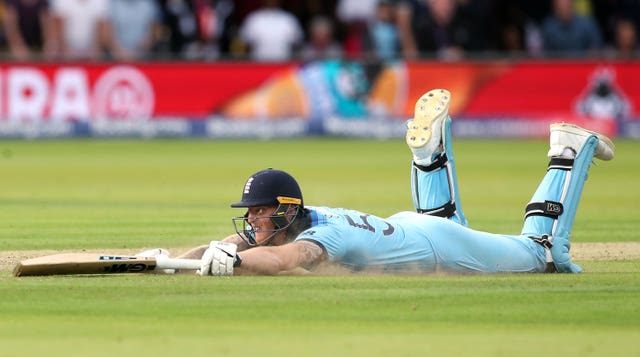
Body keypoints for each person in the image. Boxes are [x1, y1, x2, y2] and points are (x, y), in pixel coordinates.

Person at [142, 88, 614, 276]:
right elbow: (228, 242)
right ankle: (430, 157)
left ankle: (569, 150)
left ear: (287, 210)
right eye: (252, 212)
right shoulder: (308, 214)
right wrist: (166, 262)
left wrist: (236, 265)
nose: (253, 220)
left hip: (438, 247)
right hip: (415, 229)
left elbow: (286, 259)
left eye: (263, 211)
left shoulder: (320, 235)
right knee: (447, 220)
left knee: (543, 253)